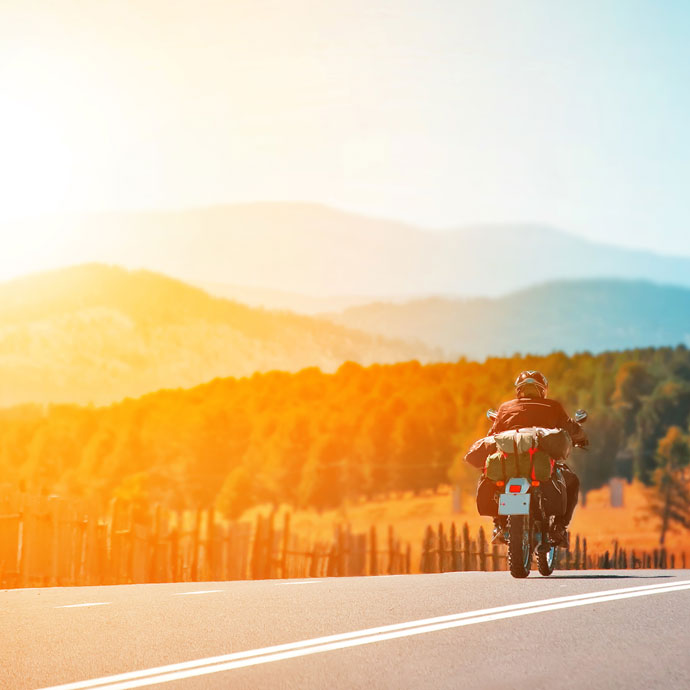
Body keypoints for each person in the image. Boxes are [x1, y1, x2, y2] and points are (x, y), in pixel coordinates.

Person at [488, 370, 588, 547]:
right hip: (540, 465)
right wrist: (581, 437)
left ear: (519, 390)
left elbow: (492, 435)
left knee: (490, 477)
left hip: (510, 465)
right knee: (572, 482)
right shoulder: (552, 406)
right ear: (543, 390)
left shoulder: (505, 408)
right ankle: (559, 528)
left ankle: (499, 524)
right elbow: (570, 428)